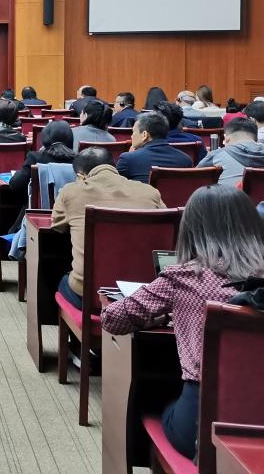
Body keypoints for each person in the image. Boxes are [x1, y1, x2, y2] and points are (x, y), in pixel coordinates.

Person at [101, 185, 264, 460]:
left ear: (192, 229)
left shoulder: (185, 277)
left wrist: (158, 316)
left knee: (151, 398)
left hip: (204, 422)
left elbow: (112, 319)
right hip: (258, 417)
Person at [51, 146, 166, 310]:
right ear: (114, 167)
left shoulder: (70, 191)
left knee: (60, 276)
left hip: (90, 295)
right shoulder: (150, 192)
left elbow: (57, 226)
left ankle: (72, 327)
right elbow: (166, 227)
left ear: (80, 176)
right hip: (143, 294)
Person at [7, 120, 76, 204]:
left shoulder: (35, 158)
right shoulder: (78, 160)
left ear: (45, 137)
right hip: (71, 209)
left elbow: (16, 185)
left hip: (39, 210)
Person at [116, 111, 193, 184]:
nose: (131, 136)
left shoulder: (128, 158)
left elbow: (116, 187)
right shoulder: (186, 160)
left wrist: (131, 156)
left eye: (133, 132)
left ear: (144, 135)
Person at [197, 117, 264, 185]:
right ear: (256, 139)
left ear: (226, 138)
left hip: (227, 192)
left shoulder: (216, 155)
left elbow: (195, 177)